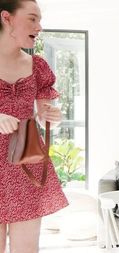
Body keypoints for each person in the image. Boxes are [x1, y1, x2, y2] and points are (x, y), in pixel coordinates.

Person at [0, 0, 68, 252]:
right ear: (7, 18)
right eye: (32, 19)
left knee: (27, 249)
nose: (39, 26)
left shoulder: (37, 67)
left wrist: (50, 116)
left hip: (25, 165)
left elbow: (42, 115)